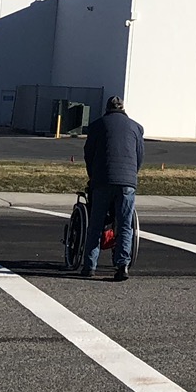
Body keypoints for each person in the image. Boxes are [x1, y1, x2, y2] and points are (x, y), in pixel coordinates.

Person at [79, 95, 144, 280]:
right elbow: (139, 156)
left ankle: (89, 265)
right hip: (127, 182)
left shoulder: (97, 126)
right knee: (125, 225)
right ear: (123, 108)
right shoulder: (136, 127)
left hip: (102, 180)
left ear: (107, 109)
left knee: (96, 224)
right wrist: (132, 174)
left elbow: (89, 154)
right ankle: (122, 265)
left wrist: (92, 175)